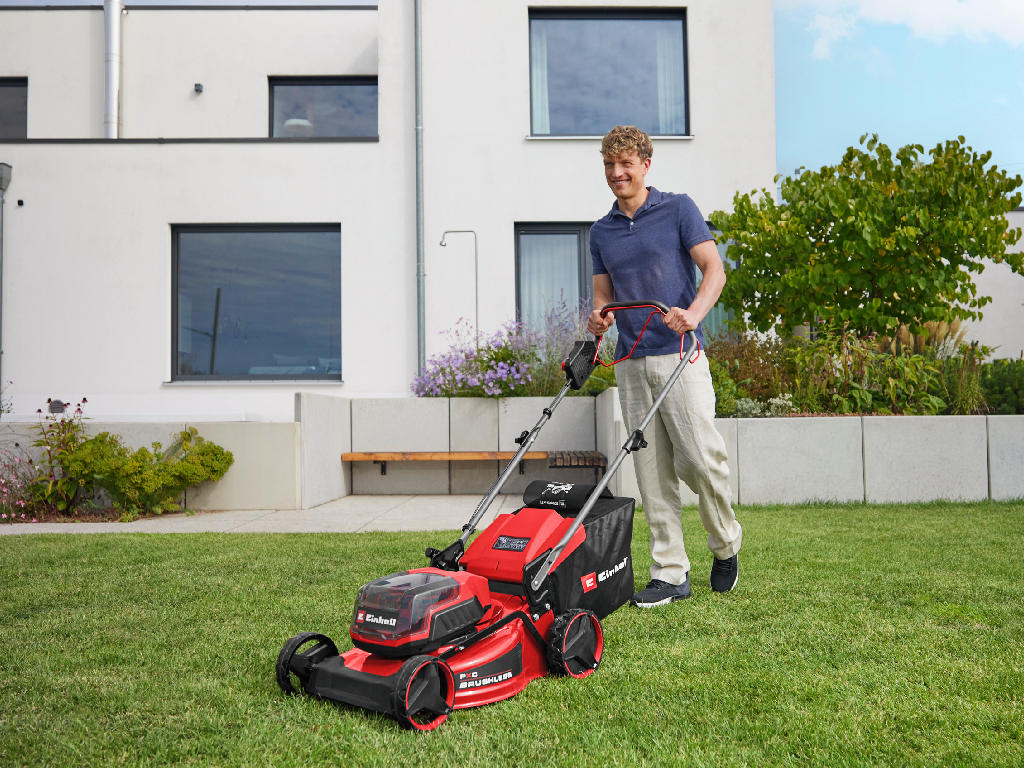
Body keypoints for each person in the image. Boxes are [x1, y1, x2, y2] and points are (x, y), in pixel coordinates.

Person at [587, 125, 742, 606]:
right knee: (651, 473)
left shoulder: (678, 209)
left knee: (701, 461)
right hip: (632, 365)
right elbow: (602, 296)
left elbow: (713, 269)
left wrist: (693, 314)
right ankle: (670, 572)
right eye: (610, 166)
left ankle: (725, 544)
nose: (617, 174)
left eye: (626, 164)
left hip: (680, 357)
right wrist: (596, 318)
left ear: (645, 164)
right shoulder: (601, 231)